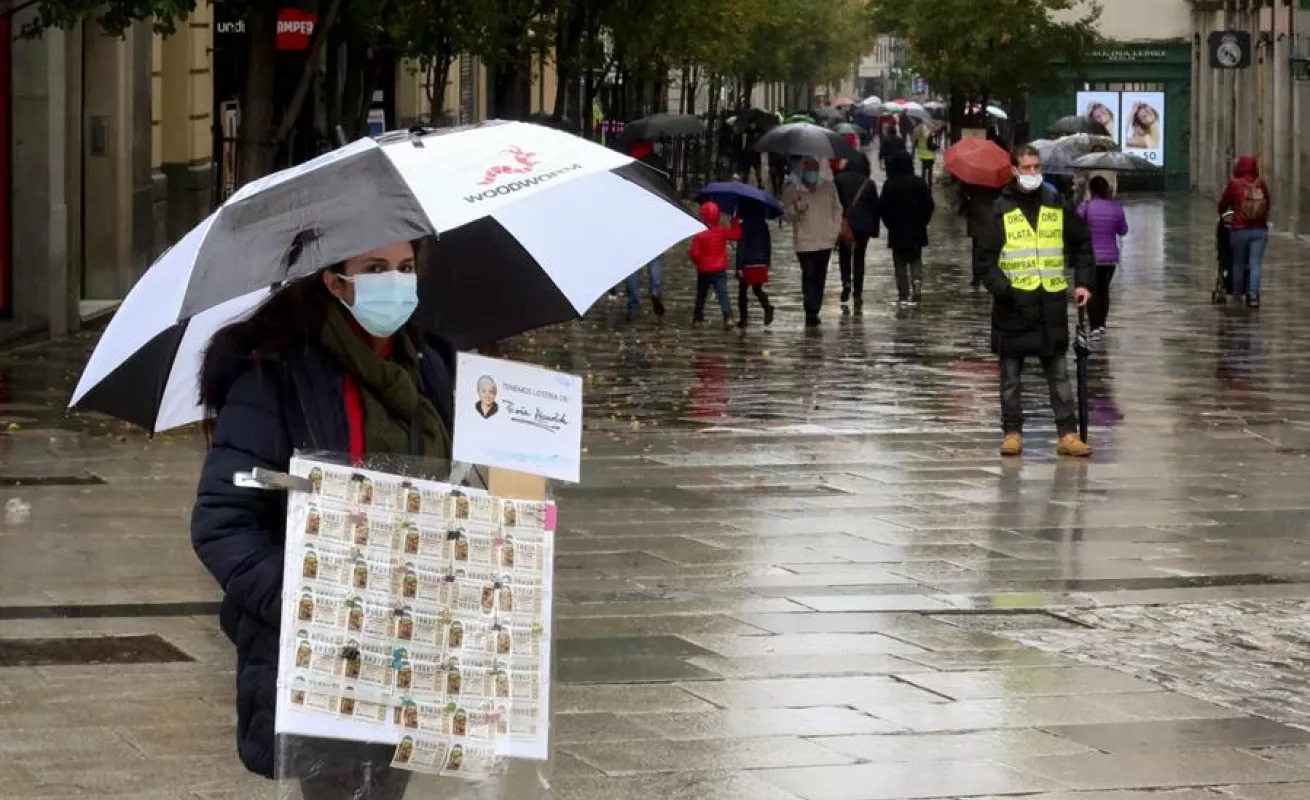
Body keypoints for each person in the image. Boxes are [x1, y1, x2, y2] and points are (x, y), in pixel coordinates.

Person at [192, 238, 457, 795]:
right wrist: (310, 597)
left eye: (406, 268)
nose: (396, 282)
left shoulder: (431, 367)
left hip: (413, 648)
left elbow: (462, 491)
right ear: (335, 283)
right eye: (375, 268)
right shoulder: (275, 375)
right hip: (322, 654)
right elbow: (223, 522)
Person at [975, 144, 1095, 458]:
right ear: (1014, 170)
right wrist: (1004, 290)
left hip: (1050, 305)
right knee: (1011, 377)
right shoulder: (999, 209)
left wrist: (1083, 282)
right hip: (1013, 306)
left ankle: (1067, 434)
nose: (1032, 173)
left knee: (1059, 374)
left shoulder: (1056, 203)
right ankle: (1012, 432)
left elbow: (1082, 242)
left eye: (1036, 167)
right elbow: (985, 260)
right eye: (1026, 168)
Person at [782, 157, 844, 327]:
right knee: (808, 274)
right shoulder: (793, 190)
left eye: (815, 169)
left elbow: (837, 209)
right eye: (809, 169)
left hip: (825, 240)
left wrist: (835, 229)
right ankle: (811, 307)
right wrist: (796, 209)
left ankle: (814, 307)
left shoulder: (828, 187)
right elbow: (787, 216)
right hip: (805, 241)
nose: (812, 173)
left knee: (820, 275)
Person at [878, 152, 935, 304]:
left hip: (897, 230)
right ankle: (917, 283)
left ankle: (903, 293)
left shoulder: (890, 184)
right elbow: (929, 205)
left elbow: (882, 208)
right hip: (917, 229)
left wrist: (890, 224)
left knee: (900, 262)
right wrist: (923, 222)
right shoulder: (919, 183)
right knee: (916, 258)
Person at [1077, 176, 1128, 336]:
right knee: (1104, 290)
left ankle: (1094, 326)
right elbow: (1123, 230)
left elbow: (1076, 229)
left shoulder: (1085, 207)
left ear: (1090, 190)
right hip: (1110, 258)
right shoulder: (1116, 207)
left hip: (1090, 258)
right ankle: (1102, 324)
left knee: (1091, 290)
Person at [1218, 154, 1270, 308]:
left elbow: (1224, 202)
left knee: (1238, 263)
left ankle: (1237, 295)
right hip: (1259, 231)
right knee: (1255, 264)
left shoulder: (1234, 184)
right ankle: (1253, 296)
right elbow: (1268, 202)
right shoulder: (1261, 183)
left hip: (1239, 230)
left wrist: (1221, 212)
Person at [623, 140, 667, 319]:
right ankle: (655, 290)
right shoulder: (658, 164)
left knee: (632, 264)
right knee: (655, 259)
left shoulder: (627, 166)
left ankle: (633, 303)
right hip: (654, 216)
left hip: (633, 220)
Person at [834, 144, 879, 307]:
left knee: (844, 255)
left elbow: (833, 204)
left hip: (845, 224)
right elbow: (875, 208)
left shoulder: (838, 179)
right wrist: (874, 230)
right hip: (863, 226)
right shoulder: (869, 183)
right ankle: (858, 292)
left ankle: (846, 282)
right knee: (859, 258)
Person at [688, 200, 740, 329]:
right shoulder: (722, 231)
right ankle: (727, 317)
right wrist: (735, 222)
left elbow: (694, 254)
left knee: (701, 295)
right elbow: (736, 235)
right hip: (719, 270)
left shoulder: (699, 235)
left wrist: (698, 262)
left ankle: (697, 319)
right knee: (723, 294)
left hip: (704, 270)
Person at [734, 198, 775, 328]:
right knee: (757, 289)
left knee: (742, 291)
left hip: (748, 262)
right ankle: (767, 306)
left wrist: (739, 266)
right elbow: (768, 245)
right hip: (761, 262)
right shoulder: (763, 225)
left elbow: (742, 246)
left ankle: (744, 319)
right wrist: (767, 262)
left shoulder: (744, 225)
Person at [958, 182, 1000, 290]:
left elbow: (963, 194)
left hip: (977, 215)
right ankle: (988, 275)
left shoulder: (973, 180)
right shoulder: (999, 181)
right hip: (991, 216)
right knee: (991, 248)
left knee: (976, 248)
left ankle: (976, 277)